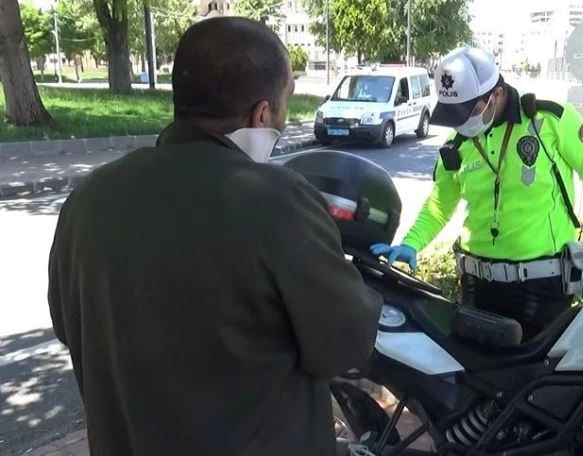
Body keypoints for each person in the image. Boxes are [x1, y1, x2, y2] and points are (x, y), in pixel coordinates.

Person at [47, 17, 382, 456]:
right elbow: (346, 344)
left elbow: (67, 325)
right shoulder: (276, 199)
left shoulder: (88, 198)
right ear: (261, 114)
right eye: (284, 104)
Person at [371, 46, 583, 339]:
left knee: (537, 368)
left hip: (543, 290)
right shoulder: (456, 143)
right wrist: (411, 243)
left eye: (470, 110)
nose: (462, 122)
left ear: (496, 94)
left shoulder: (548, 119)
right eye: (454, 114)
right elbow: (440, 204)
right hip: (477, 287)